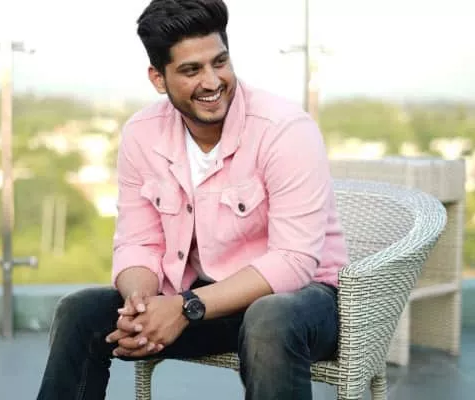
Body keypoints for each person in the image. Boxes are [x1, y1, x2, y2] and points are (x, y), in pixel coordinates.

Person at [36, 0, 348, 399]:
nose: (212, 81)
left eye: (220, 62)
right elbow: (138, 243)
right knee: (79, 313)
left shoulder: (285, 130)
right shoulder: (142, 135)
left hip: (303, 303)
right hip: (203, 298)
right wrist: (140, 303)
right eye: (191, 70)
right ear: (158, 78)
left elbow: (294, 260)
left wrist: (185, 307)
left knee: (269, 319)